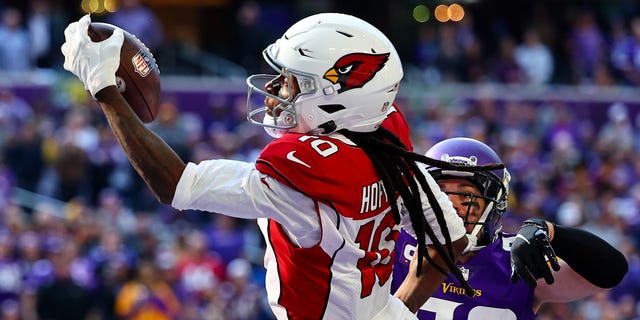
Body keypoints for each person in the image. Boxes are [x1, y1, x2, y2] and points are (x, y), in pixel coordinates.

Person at [60, 13, 498, 319]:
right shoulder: (385, 133)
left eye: (290, 81)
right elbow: (450, 238)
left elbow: (174, 184)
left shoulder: (308, 172)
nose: (273, 89)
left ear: (335, 99)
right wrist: (395, 310)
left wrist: (104, 91)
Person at [391, 137, 629, 319]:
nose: (452, 209)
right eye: (442, 196)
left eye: (466, 198)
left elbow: (611, 271)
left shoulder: (515, 259)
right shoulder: (395, 242)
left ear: (493, 204)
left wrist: (551, 231)